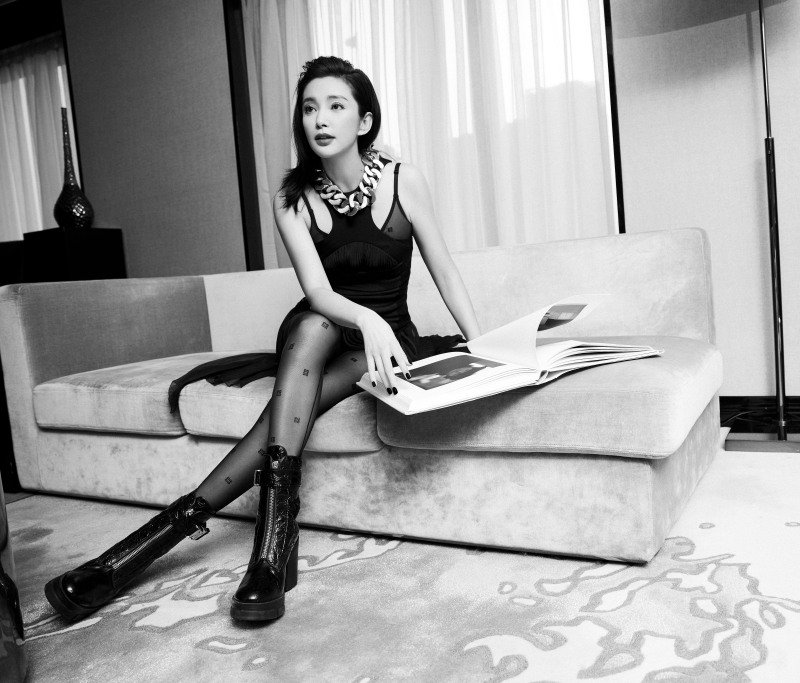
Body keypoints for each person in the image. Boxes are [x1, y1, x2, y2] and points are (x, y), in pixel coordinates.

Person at [43, 56, 481, 623]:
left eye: (336, 106)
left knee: (278, 418)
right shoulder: (292, 198)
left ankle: (141, 553)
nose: (320, 119)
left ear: (365, 121)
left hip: (383, 341)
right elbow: (318, 292)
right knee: (313, 323)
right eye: (310, 108)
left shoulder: (405, 180)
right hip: (322, 329)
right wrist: (363, 317)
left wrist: (480, 342)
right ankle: (271, 548)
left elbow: (444, 268)